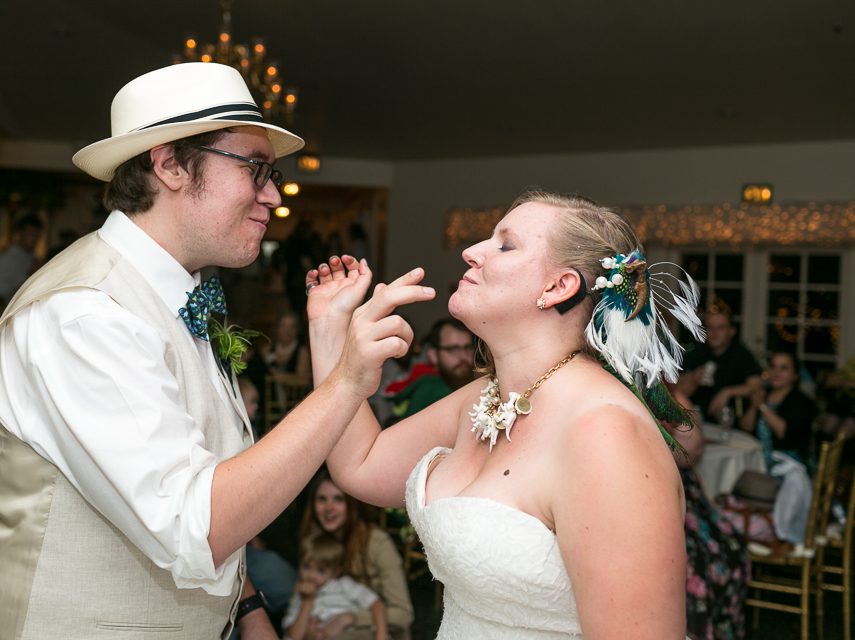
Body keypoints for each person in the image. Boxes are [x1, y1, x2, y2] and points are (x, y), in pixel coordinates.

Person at [0, 62, 427, 640]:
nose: (274, 196)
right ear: (170, 164)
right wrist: (347, 381)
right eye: (256, 169)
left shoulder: (180, 290)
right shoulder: (84, 315)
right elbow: (192, 526)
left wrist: (246, 608)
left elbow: (203, 471)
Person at [305, 189, 703, 638]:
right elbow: (360, 464)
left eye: (504, 244)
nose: (471, 252)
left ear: (558, 287)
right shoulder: (484, 396)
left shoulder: (605, 433)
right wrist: (328, 328)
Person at [665, 392, 749, 640]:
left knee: (731, 548)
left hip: (687, 494)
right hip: (659, 496)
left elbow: (692, 450)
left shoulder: (669, 393)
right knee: (695, 564)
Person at [300, 469, 414, 640]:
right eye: (322, 499)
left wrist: (349, 618)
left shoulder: (376, 543)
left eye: (338, 499)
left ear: (351, 504)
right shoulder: (315, 543)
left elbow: (404, 615)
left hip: (379, 631)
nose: (328, 508)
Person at [283, 534, 388, 640]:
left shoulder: (344, 585)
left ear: (335, 573)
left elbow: (377, 604)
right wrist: (307, 601)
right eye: (306, 567)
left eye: (320, 570)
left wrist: (380, 637)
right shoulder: (299, 594)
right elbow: (294, 636)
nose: (311, 576)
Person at [384, 318, 477, 421]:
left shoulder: (474, 384)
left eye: (468, 348)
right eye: (453, 349)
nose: (463, 356)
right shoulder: (429, 390)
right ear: (433, 355)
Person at [679, 312, 762, 422]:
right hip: (696, 421)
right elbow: (675, 389)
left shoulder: (741, 355)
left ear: (731, 331)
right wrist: (693, 378)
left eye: (720, 327)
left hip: (731, 423)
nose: (715, 333)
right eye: (710, 327)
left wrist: (727, 392)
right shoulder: (696, 351)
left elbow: (756, 386)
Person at [739, 351, 817, 468]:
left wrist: (762, 406)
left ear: (794, 375)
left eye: (783, 368)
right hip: (757, 459)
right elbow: (746, 427)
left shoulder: (802, 401)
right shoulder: (764, 393)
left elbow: (784, 433)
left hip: (789, 465)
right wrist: (754, 406)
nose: (776, 373)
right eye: (773, 366)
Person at [0, 214, 43, 302]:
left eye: (37, 235)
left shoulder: (32, 257)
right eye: (30, 234)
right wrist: (30, 273)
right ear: (19, 233)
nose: (34, 239)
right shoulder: (7, 258)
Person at [262, 310, 311, 377]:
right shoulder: (267, 349)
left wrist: (278, 376)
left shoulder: (302, 352)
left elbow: (303, 380)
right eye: (283, 326)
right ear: (277, 329)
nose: (287, 330)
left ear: (297, 330)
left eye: (292, 326)